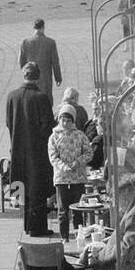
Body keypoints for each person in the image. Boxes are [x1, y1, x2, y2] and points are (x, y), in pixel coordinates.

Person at [6, 62, 56, 237]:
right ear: (38, 77)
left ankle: (27, 225)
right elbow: (48, 126)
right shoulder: (41, 98)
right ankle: (37, 227)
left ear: (23, 75)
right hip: (37, 150)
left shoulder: (12, 96)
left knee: (24, 189)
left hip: (18, 148)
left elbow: (8, 122)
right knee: (38, 189)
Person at [48, 103, 94, 242]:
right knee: (63, 210)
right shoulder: (54, 137)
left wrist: (78, 162)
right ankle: (64, 237)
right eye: (63, 120)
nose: (66, 123)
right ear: (59, 120)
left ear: (73, 121)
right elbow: (53, 156)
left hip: (78, 178)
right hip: (62, 179)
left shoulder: (80, 135)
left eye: (68, 120)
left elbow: (88, 152)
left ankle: (78, 234)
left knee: (78, 209)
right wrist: (63, 166)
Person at [18, 18, 62, 99]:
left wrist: (25, 73)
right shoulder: (50, 42)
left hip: (30, 77)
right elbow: (55, 62)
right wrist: (58, 77)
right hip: (45, 77)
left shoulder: (25, 42)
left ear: (34, 28)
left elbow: (21, 61)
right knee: (46, 99)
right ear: (43, 27)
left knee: (31, 98)